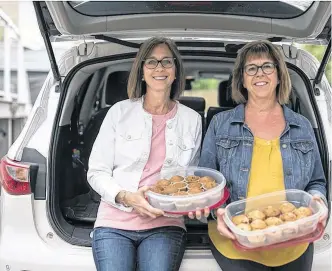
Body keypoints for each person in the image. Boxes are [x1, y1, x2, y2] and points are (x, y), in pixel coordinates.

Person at [198, 40, 328, 271]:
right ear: (242, 79)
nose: (260, 74)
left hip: (293, 236)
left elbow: (316, 181)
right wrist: (217, 213)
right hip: (235, 239)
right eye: (251, 68)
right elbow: (206, 186)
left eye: (268, 66)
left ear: (279, 75)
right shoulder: (220, 124)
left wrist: (317, 200)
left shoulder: (302, 126)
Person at [87, 37, 202, 271]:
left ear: (176, 71)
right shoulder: (119, 112)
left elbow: (192, 179)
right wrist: (126, 197)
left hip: (166, 224)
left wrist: (194, 204)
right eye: (151, 62)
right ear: (141, 71)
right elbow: (97, 172)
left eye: (166, 62)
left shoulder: (192, 120)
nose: (159, 68)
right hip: (114, 222)